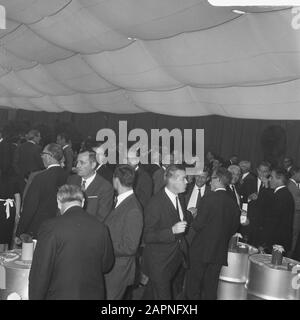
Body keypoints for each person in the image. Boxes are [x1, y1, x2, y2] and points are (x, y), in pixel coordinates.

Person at [28, 184, 114, 300]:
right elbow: (107, 265)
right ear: (83, 202)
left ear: (58, 202)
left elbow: (40, 272)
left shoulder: (50, 227)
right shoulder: (101, 227)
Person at [185, 167, 240, 300]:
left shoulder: (208, 198)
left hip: (201, 250)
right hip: (219, 251)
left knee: (193, 287)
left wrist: (192, 215)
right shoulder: (233, 203)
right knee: (211, 288)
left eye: (213, 178)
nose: (209, 181)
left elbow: (198, 225)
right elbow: (234, 228)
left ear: (218, 180)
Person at [142, 164, 191, 300]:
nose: (187, 182)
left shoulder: (179, 197)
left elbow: (177, 217)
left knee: (151, 294)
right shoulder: (155, 203)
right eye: (184, 179)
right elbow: (147, 236)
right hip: (159, 262)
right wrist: (171, 231)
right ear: (172, 180)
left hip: (173, 259)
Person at [105, 165, 143, 299]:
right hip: (113, 267)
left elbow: (130, 247)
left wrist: (104, 246)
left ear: (116, 180)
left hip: (118, 270)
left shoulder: (133, 209)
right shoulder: (122, 201)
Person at [16, 143, 68, 239]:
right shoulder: (68, 177)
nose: (41, 157)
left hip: (39, 229)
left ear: (49, 156)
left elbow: (30, 206)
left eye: (43, 154)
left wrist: (20, 232)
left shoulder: (40, 178)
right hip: (62, 228)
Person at [67, 150, 114, 222]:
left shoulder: (105, 187)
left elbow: (101, 217)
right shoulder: (71, 180)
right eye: (77, 162)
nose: (77, 166)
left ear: (93, 165)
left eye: (82, 163)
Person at [260, 168, 294, 253]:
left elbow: (272, 223)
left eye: (271, 177)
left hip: (275, 244)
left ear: (280, 179)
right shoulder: (284, 193)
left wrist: (264, 243)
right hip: (279, 242)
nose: (269, 179)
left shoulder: (280, 196)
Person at [0, 170, 21, 250]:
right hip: (11, 208)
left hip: (2, 208)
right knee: (8, 235)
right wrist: (17, 214)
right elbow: (18, 197)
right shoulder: (13, 179)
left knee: (2, 236)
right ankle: (5, 254)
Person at [287, 168, 300, 252]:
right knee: (293, 238)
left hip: (295, 216)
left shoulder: (293, 184)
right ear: (296, 173)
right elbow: (296, 204)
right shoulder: (291, 185)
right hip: (294, 216)